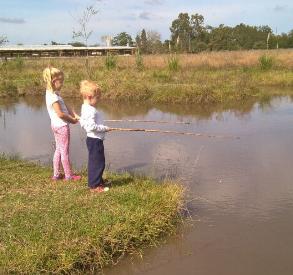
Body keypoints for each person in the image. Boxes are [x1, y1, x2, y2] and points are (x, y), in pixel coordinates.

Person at [43, 66, 81, 181]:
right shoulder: (53, 97)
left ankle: (56, 174)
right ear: (54, 81)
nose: (63, 83)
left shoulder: (52, 93)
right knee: (64, 151)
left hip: (55, 126)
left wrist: (74, 114)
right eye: (61, 81)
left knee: (59, 149)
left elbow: (65, 107)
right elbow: (60, 114)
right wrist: (72, 120)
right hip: (62, 126)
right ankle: (69, 176)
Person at [78, 80, 111, 193]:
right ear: (89, 96)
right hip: (95, 140)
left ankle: (98, 181)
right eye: (97, 97)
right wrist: (104, 128)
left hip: (92, 140)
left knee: (97, 161)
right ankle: (95, 186)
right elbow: (91, 126)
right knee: (97, 162)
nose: (98, 100)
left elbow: (83, 122)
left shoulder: (84, 107)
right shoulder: (91, 110)